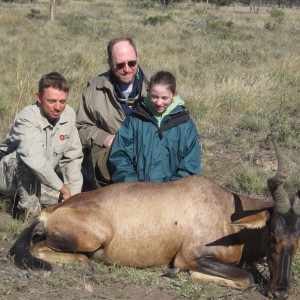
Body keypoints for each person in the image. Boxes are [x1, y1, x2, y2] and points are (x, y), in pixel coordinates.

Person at [0, 72, 83, 217]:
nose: (58, 107)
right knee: (25, 159)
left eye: (62, 101)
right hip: (7, 177)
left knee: (72, 201)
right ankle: (28, 214)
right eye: (51, 101)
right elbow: (33, 160)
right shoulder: (27, 117)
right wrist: (62, 188)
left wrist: (73, 198)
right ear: (38, 97)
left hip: (41, 179)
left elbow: (72, 157)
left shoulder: (68, 114)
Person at [76, 37, 154, 189]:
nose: (127, 69)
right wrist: (104, 138)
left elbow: (177, 119)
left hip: (151, 153)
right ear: (110, 63)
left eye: (132, 63)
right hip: (113, 157)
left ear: (137, 58)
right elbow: (80, 127)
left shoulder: (157, 82)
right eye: (120, 65)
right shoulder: (94, 90)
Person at [108, 71, 201, 183]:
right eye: (154, 97)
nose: (159, 102)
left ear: (173, 95)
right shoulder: (135, 118)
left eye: (164, 98)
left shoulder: (185, 124)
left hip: (173, 195)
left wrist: (171, 191)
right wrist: (132, 186)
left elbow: (190, 166)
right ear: (148, 92)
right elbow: (120, 155)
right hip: (137, 193)